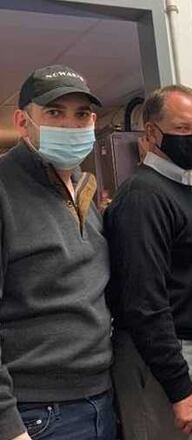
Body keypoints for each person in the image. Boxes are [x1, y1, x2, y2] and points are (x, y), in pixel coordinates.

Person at [104, 85, 192, 439]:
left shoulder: (177, 187)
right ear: (151, 133)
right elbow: (143, 303)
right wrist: (180, 389)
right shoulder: (144, 196)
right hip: (176, 359)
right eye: (182, 129)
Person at [0, 65, 115, 440]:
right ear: (23, 121)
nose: (70, 125)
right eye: (54, 113)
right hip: (37, 412)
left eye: (81, 114)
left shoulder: (85, 188)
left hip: (99, 397)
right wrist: (8, 426)